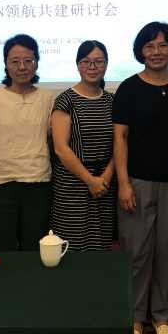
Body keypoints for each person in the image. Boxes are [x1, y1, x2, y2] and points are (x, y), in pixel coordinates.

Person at [113, 21, 168, 334]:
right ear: (140, 51)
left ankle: (161, 317)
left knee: (166, 253)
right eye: (149, 46)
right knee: (136, 253)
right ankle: (134, 318)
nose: (156, 52)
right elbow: (120, 138)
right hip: (137, 181)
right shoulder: (129, 88)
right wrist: (123, 183)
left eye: (162, 45)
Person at [0, 34, 54, 251]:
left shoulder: (47, 98)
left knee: (35, 249)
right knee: (0, 249)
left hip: (37, 181)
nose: (22, 67)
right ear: (6, 64)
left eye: (28, 60)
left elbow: (50, 137)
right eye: (15, 61)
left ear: (36, 62)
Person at [50, 40, 115, 251]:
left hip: (104, 185)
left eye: (99, 62)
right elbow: (61, 148)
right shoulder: (65, 100)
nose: (92, 67)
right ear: (78, 65)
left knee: (101, 246)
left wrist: (105, 178)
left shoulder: (112, 101)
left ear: (106, 64)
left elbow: (120, 144)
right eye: (86, 62)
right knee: (72, 247)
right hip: (73, 185)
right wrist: (90, 180)